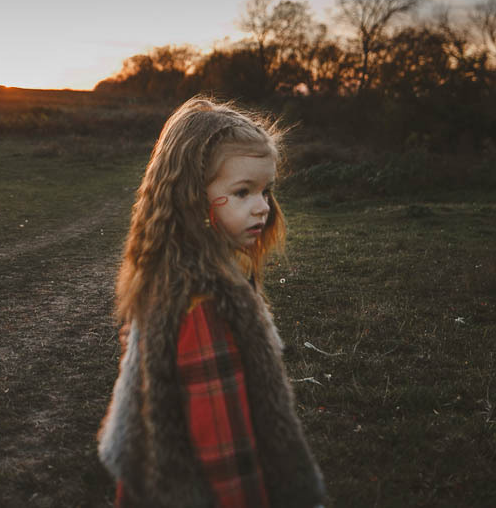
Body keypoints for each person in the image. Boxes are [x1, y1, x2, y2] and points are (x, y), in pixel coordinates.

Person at [97, 97, 325, 507]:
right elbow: (227, 460)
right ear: (192, 199)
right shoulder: (205, 306)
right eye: (242, 192)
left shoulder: (171, 276)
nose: (264, 206)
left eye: (266, 190)